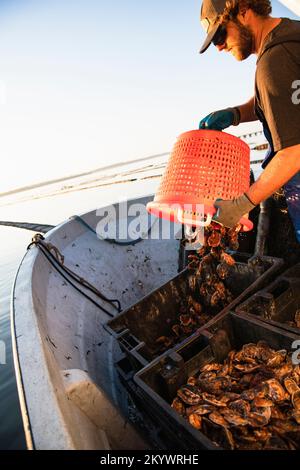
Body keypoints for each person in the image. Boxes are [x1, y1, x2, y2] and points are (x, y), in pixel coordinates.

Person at [198, 0, 300, 242]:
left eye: (220, 34)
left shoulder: (274, 61)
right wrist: (237, 113)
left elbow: (294, 152)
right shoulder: (291, 34)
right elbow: (284, 100)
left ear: (244, 11)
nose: (220, 47)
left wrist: (243, 203)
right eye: (214, 41)